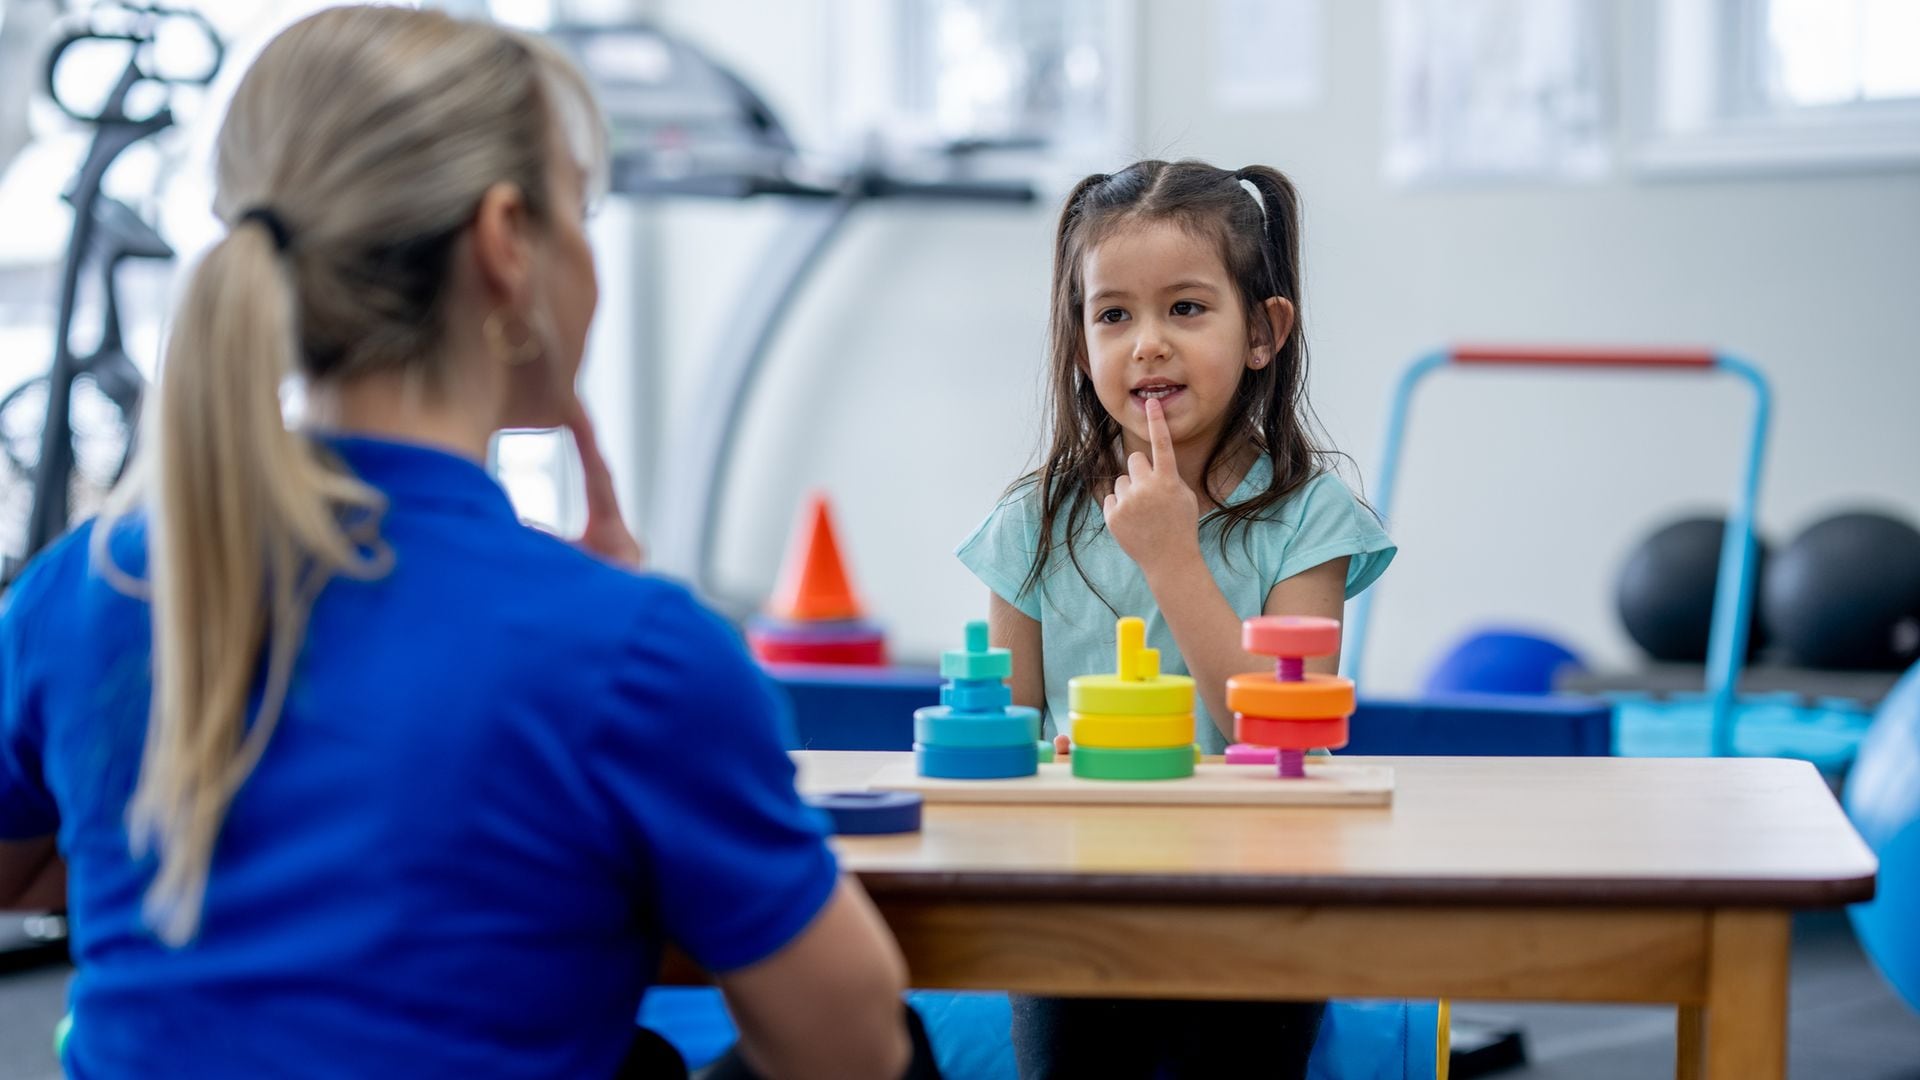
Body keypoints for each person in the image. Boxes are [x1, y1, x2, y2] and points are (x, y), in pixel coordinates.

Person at [0, 8, 926, 1078]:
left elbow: (22, 871)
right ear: (505, 242)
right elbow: (849, 1047)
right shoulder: (629, 654)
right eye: (582, 209)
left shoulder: (85, 584)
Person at [956, 159, 1397, 1078]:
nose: (1147, 344)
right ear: (1080, 346)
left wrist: (1171, 555)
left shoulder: (1310, 521)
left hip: (1258, 898)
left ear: (1264, 333)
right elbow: (1002, 741)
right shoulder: (1027, 529)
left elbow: (1279, 730)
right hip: (1073, 898)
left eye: (1186, 309)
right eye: (1113, 315)